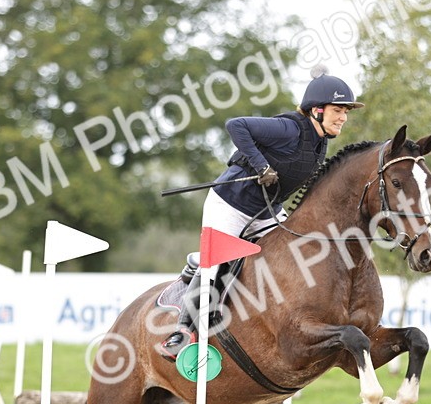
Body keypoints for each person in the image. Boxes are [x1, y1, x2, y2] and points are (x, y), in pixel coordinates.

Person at [156, 65, 365, 360]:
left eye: (346, 111)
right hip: (229, 205)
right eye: (338, 110)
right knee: (213, 266)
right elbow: (235, 125)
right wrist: (261, 166)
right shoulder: (290, 129)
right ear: (316, 110)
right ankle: (183, 331)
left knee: (295, 255)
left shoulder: (320, 145)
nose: (343, 117)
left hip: (266, 213)